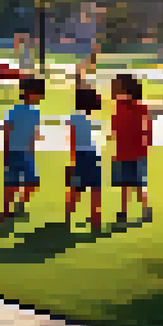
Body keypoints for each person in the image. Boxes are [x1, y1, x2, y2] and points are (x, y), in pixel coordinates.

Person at [110, 73, 154, 224]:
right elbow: (116, 128)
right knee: (126, 184)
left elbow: (146, 129)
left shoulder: (138, 106)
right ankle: (125, 211)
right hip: (125, 150)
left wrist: (146, 143)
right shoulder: (122, 105)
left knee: (136, 184)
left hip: (134, 151)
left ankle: (144, 210)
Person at [1, 77, 46, 221]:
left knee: (32, 182)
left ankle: (20, 204)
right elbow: (7, 131)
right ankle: (7, 211)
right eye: (39, 93)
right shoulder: (14, 111)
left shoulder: (35, 112)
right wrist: (6, 153)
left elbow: (33, 133)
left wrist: (33, 148)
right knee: (12, 184)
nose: (41, 97)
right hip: (14, 151)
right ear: (29, 93)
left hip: (26, 153)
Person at [65, 87, 103, 232]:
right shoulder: (88, 117)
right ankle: (96, 220)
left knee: (75, 189)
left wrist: (72, 159)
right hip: (91, 156)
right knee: (95, 189)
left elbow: (72, 139)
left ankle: (68, 218)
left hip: (81, 155)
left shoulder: (75, 116)